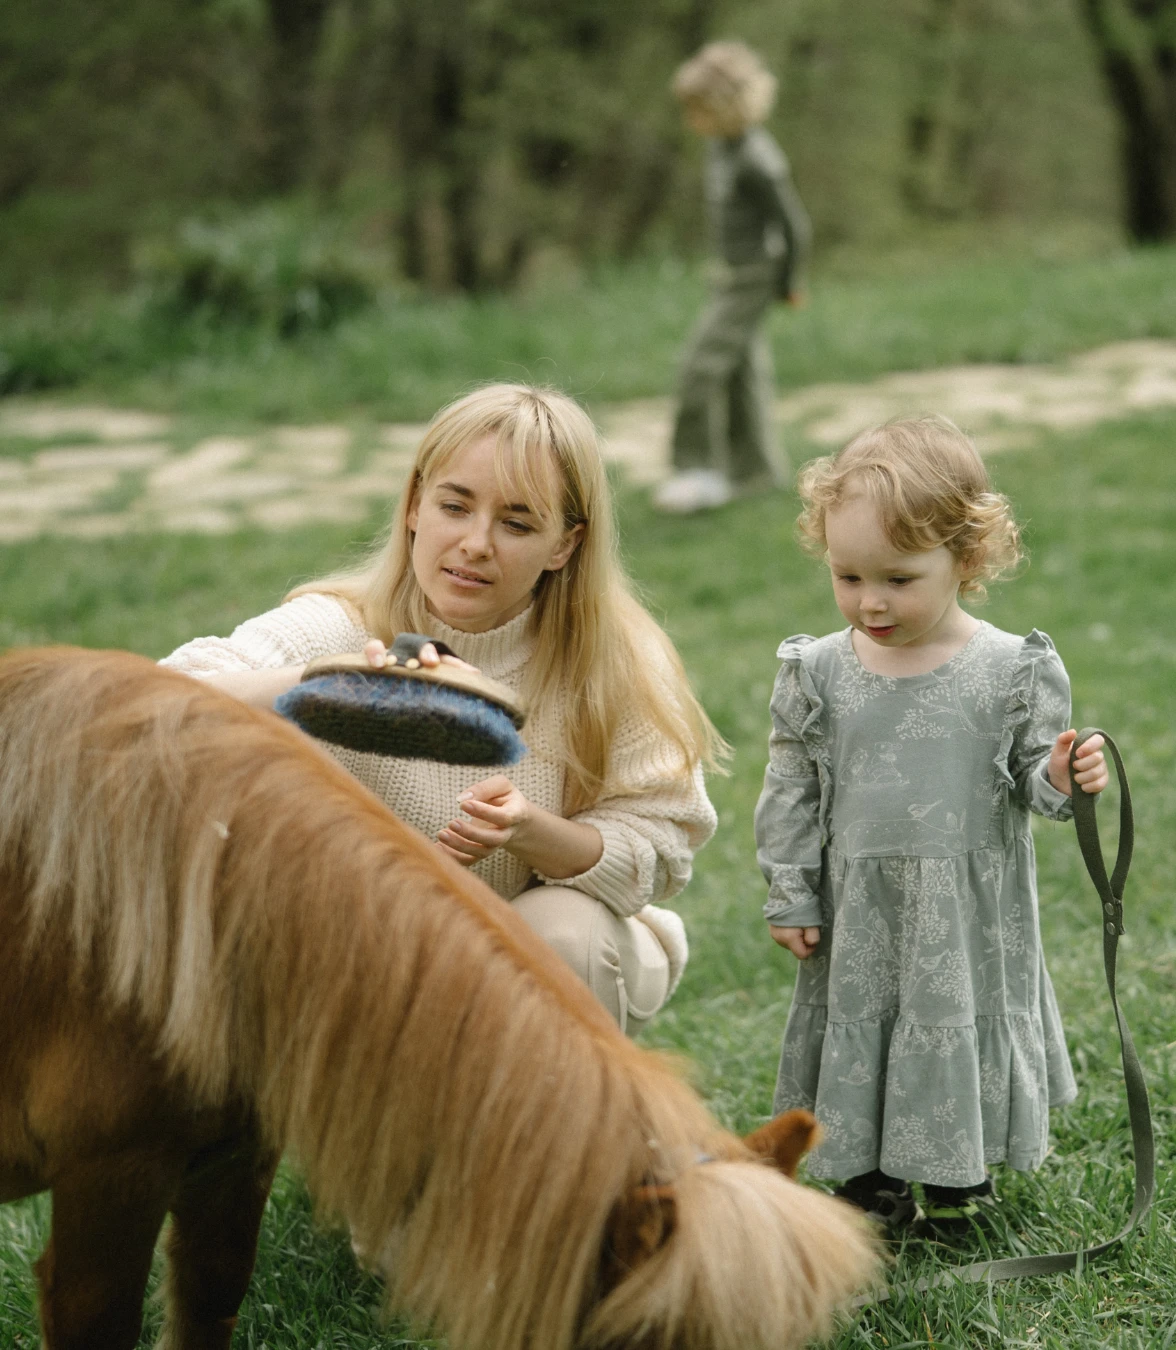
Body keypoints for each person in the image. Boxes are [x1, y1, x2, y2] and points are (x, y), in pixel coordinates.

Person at [162, 384, 723, 1036]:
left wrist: (527, 829)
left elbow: (658, 849)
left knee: (561, 932)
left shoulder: (612, 664)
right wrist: (328, 685)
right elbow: (157, 702)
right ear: (414, 506)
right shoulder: (339, 631)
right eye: (455, 506)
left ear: (565, 546)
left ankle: (557, 1132)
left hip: (546, 944)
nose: (476, 543)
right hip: (374, 947)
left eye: (517, 524)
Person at [753, 416, 1108, 1237]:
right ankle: (870, 1183)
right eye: (848, 575)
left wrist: (1061, 776)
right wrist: (793, 889)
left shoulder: (1012, 668)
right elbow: (792, 786)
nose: (869, 601)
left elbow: (1034, 785)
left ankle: (958, 1173)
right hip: (861, 908)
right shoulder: (817, 673)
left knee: (954, 1019)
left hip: (966, 915)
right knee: (867, 1021)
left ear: (968, 558)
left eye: (898, 579)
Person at [653, 40, 811, 515]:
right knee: (743, 373)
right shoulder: (719, 148)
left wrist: (789, 282)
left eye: (698, 111)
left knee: (699, 368)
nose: (691, 121)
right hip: (728, 275)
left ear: (727, 107)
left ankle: (696, 471)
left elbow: (795, 226)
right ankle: (757, 470)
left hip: (755, 278)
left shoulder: (759, 160)